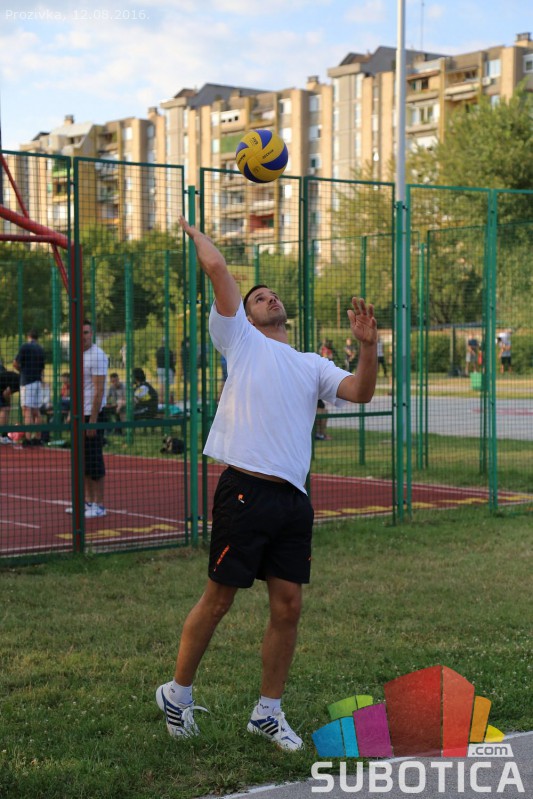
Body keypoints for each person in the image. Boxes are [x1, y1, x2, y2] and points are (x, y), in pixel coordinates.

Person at [155, 216, 378, 750]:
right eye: (258, 297)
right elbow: (217, 268)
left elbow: (361, 391)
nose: (267, 297)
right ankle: (177, 694)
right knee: (219, 600)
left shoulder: (311, 364)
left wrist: (369, 347)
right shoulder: (239, 340)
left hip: (292, 499)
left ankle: (267, 713)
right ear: (246, 315)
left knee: (288, 607)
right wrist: (194, 231)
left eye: (271, 294)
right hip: (245, 491)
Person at [66, 319, 109, 518]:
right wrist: (71, 412)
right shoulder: (76, 355)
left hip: (92, 415)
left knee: (94, 460)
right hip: (79, 415)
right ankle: (87, 502)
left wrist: (93, 419)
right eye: (80, 333)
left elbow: (98, 390)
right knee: (81, 461)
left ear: (91, 334)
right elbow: (77, 387)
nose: (83, 336)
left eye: (86, 332)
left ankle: (99, 505)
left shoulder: (97, 355)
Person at [13, 329, 46, 447]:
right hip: (38, 381)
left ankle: (27, 438)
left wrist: (22, 371)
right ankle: (38, 438)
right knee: (36, 411)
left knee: (27, 410)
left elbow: (15, 363)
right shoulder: (41, 349)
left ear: (28, 336)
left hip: (27, 381)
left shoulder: (25, 347)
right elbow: (42, 368)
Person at [0, 370, 20, 444]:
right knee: (5, 409)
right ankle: (3, 436)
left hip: (2, 389)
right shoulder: (18, 383)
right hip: (2, 390)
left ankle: (4, 435)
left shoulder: (18, 378)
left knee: (5, 409)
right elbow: (6, 393)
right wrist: (8, 403)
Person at [156, 339, 176, 404]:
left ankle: (161, 399)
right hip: (168, 369)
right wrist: (174, 370)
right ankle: (169, 400)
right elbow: (172, 362)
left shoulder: (158, 351)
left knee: (161, 385)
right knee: (168, 385)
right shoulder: (169, 351)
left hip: (159, 369)